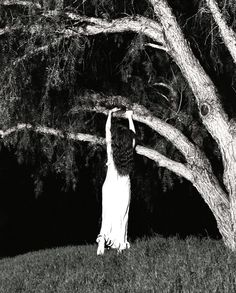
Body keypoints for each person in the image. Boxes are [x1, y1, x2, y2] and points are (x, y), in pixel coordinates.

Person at [96, 107, 136, 255]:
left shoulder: (111, 149)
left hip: (109, 185)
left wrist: (110, 114)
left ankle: (102, 240)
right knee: (122, 214)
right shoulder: (129, 149)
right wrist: (130, 117)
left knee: (107, 213)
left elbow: (107, 130)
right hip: (123, 186)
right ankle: (120, 245)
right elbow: (133, 134)